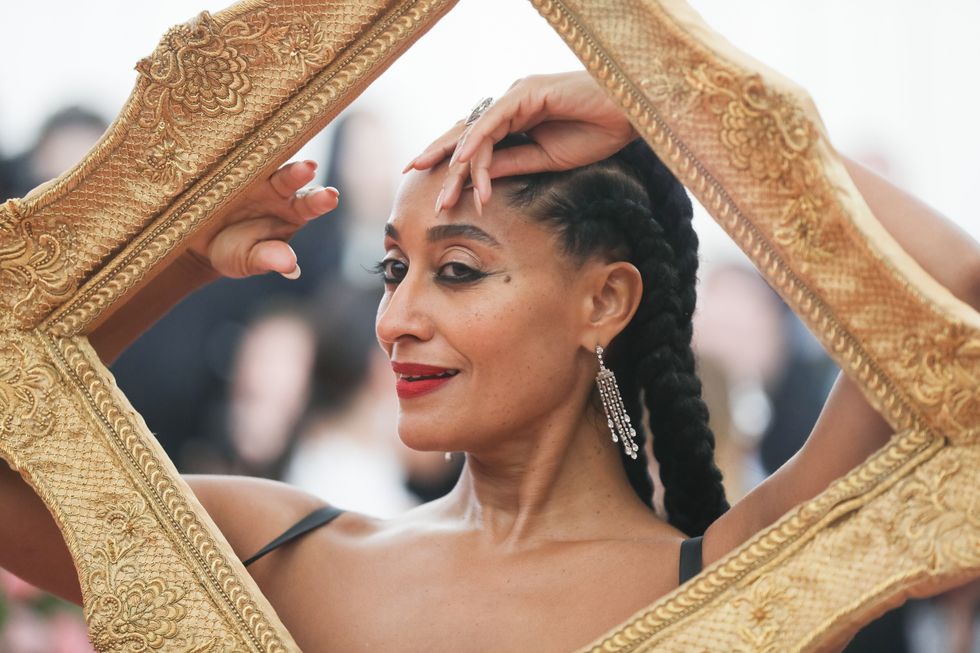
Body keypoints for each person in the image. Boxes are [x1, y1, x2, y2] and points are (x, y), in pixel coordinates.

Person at [1, 71, 978, 651]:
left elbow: (954, 290)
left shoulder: (732, 575)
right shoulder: (283, 549)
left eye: (458, 270)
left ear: (604, 301)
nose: (395, 319)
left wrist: (660, 104)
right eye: (393, 269)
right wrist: (175, 250)